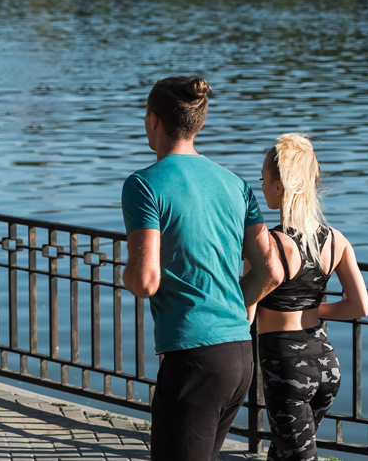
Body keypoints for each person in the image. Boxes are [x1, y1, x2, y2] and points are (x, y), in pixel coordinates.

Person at [121, 77, 283, 461]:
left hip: (192, 359)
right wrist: (226, 307)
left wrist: (126, 273)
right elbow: (271, 272)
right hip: (238, 356)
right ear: (200, 123)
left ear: (152, 121)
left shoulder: (144, 185)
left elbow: (145, 281)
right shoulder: (236, 185)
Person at [249, 133, 368, 461]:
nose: (261, 187)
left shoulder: (270, 244)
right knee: (284, 452)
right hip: (326, 365)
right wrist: (315, 309)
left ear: (278, 186)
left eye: (263, 179)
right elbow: (361, 306)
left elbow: (246, 309)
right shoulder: (335, 240)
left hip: (286, 368)